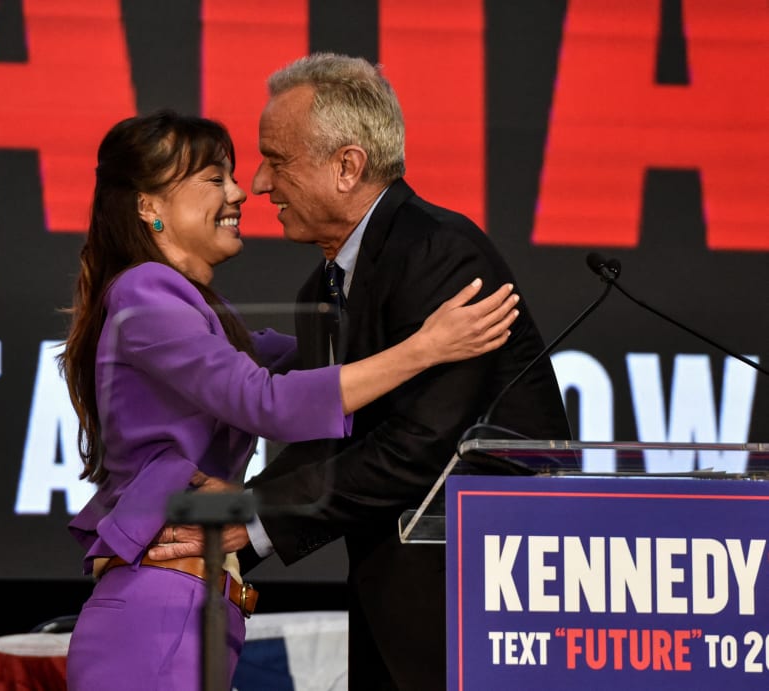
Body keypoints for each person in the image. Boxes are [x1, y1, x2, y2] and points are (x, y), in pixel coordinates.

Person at [148, 53, 572, 690]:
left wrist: (253, 519)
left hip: (483, 608)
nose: (259, 184)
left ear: (346, 166)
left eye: (277, 160)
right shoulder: (323, 284)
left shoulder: (438, 255)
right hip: (394, 604)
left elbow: (416, 449)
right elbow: (328, 438)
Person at [58, 109, 521, 690]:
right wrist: (424, 349)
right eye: (213, 178)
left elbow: (313, 362)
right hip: (157, 611)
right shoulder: (144, 292)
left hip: (191, 608)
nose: (240, 192)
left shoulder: (197, 311)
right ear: (149, 207)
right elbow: (267, 402)